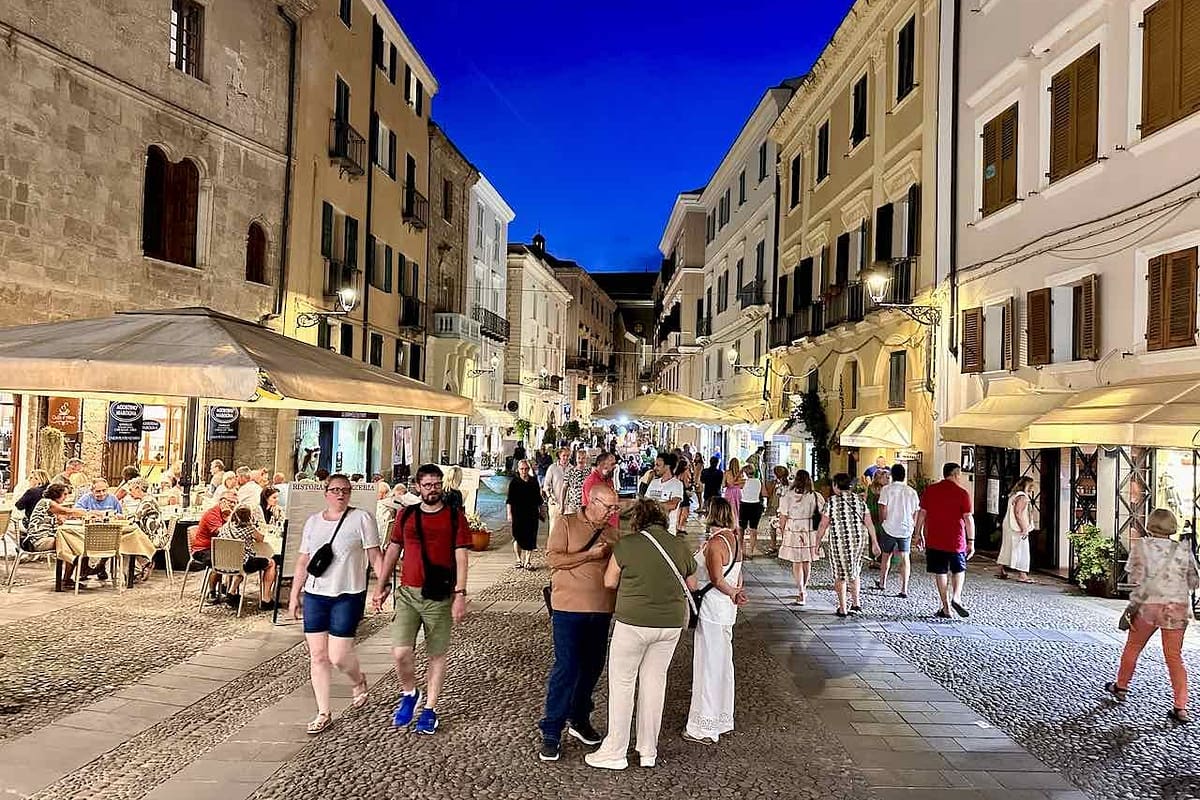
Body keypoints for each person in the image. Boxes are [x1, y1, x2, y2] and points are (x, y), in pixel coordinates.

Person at [586, 500, 697, 771]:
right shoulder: (679, 545)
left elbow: (609, 581)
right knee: (654, 684)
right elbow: (692, 585)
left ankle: (615, 751)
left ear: (637, 520)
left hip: (633, 623)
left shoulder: (628, 544)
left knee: (623, 685)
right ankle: (648, 751)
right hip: (669, 626)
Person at [374, 464, 472, 736]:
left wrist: (460, 594)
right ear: (418, 487)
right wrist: (380, 586)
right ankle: (409, 691)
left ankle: (429, 709)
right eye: (427, 485)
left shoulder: (454, 517)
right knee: (400, 651)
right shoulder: (406, 515)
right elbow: (394, 550)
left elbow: (461, 556)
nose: (433, 490)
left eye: (437, 485)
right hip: (408, 593)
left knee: (436, 654)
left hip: (440, 595)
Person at [288, 474, 383, 734]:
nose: (340, 494)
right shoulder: (313, 523)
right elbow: (303, 560)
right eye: (335, 490)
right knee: (318, 656)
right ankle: (323, 712)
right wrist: (295, 594)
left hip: (348, 593)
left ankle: (358, 680)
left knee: (339, 655)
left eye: (345, 490)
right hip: (316, 594)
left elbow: (375, 555)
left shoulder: (362, 518)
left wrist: (382, 586)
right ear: (326, 493)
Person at [538, 483, 622, 762]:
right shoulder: (566, 523)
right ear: (591, 501)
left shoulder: (612, 531)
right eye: (608, 507)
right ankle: (551, 729)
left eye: (615, 507)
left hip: (601, 609)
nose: (612, 512)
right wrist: (589, 555)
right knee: (567, 666)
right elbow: (553, 559)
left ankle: (579, 717)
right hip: (568, 608)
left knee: (593, 667)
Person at [1106, 508, 1199, 724]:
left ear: (1151, 524)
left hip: (1148, 605)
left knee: (1133, 647)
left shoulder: (1141, 546)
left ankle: (1121, 686)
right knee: (1174, 657)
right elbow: (1195, 582)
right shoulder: (1182, 550)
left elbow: (1133, 576)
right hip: (1176, 607)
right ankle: (1181, 706)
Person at [684, 498, 748, 745]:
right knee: (722, 664)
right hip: (726, 612)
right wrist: (736, 591)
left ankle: (704, 726)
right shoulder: (735, 539)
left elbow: (716, 578)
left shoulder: (714, 544)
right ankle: (722, 718)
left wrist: (732, 592)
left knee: (708, 665)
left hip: (711, 610)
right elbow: (738, 574)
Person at [914, 463, 975, 619]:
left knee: (940, 572)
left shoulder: (931, 490)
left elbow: (922, 513)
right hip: (956, 540)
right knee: (958, 570)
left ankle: (946, 607)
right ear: (955, 474)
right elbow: (968, 519)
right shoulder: (963, 493)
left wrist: (918, 533)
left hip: (934, 539)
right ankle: (956, 596)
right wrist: (971, 541)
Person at [816, 473, 879, 617]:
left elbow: (823, 525)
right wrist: (874, 542)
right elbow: (869, 524)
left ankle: (843, 607)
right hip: (858, 542)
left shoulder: (832, 502)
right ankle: (856, 603)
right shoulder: (860, 501)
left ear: (836, 486)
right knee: (855, 570)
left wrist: (817, 543)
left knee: (840, 574)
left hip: (839, 542)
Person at [24, 483, 92, 587]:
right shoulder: (47, 503)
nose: (66, 497)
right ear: (56, 494)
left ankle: (73, 573)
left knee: (72, 542)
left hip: (47, 537)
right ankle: (74, 573)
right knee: (71, 544)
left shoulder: (49, 504)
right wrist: (90, 513)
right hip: (38, 541)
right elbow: (68, 511)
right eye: (64, 494)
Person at [777, 470, 825, 605]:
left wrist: (782, 530)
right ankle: (804, 587)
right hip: (809, 530)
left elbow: (783, 516)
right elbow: (824, 514)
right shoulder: (815, 496)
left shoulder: (787, 496)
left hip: (793, 528)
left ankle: (801, 591)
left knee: (796, 562)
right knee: (807, 560)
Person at [219, 505, 278, 611]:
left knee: (239, 566)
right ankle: (266, 599)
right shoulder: (249, 529)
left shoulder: (225, 527)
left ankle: (231, 593)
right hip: (243, 564)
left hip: (224, 562)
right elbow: (260, 539)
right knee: (271, 563)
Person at [876, 463, 920, 597]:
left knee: (885, 555)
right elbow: (916, 511)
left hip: (889, 527)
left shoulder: (886, 490)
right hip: (906, 528)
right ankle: (904, 588)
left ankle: (882, 582)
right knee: (905, 557)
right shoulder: (911, 491)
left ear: (892, 476)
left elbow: (882, 508)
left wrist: (883, 521)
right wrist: (913, 525)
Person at [194, 492, 237, 600]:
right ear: (222, 501)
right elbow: (220, 533)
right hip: (202, 549)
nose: (232, 505)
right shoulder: (212, 514)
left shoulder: (229, 513)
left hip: (219, 547)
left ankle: (228, 589)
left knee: (237, 558)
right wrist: (230, 517)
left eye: (235, 502)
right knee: (220, 560)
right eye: (230, 502)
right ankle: (212, 591)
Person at [997, 477, 1034, 583]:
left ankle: (1001, 569)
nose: (1032, 488)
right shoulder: (1023, 497)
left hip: (1008, 525)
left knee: (1007, 547)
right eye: (1031, 486)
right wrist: (1024, 528)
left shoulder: (1013, 495)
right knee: (1023, 550)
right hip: (1017, 527)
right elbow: (1018, 513)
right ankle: (1022, 574)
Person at [507, 459, 543, 570]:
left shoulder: (533, 481)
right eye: (522, 469)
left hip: (531, 513)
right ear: (518, 470)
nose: (524, 471)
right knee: (517, 536)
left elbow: (538, 498)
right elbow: (509, 500)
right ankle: (518, 559)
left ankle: (527, 561)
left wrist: (542, 511)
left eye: (526, 469)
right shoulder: (514, 482)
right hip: (518, 513)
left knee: (531, 537)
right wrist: (509, 514)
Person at [644, 453, 685, 535]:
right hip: (649, 529)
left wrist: (652, 506)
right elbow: (644, 503)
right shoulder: (653, 483)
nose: (655, 468)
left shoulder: (677, 484)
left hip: (667, 531)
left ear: (667, 466)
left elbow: (672, 505)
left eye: (658, 465)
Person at [543, 448, 570, 534]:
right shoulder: (552, 468)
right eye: (564, 456)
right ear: (559, 456)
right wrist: (550, 497)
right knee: (554, 527)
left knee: (566, 528)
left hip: (568, 504)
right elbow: (546, 485)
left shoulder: (572, 468)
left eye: (568, 456)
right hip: (554, 502)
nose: (565, 458)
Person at [761, 465, 787, 554]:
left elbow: (768, 493)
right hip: (779, 506)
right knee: (778, 526)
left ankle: (774, 545)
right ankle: (781, 545)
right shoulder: (787, 483)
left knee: (776, 526)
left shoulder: (777, 484)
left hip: (777, 506)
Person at [739, 464, 764, 556]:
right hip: (756, 505)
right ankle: (751, 551)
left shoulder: (743, 482)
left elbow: (733, 482)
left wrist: (739, 472)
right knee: (753, 529)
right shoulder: (759, 481)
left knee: (741, 529)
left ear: (745, 472)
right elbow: (764, 493)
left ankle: (741, 550)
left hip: (745, 505)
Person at [563, 449, 590, 516]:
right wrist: (562, 505)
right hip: (572, 506)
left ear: (586, 459)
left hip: (586, 506)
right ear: (576, 459)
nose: (581, 460)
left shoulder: (590, 472)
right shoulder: (570, 472)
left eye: (583, 458)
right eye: (579, 458)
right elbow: (564, 489)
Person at [723, 458, 744, 530]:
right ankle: (737, 524)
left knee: (729, 508)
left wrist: (729, 483)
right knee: (737, 508)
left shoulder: (726, 473)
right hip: (737, 492)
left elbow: (723, 485)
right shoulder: (740, 473)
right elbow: (742, 486)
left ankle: (729, 523)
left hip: (729, 491)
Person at [674, 457, 695, 531]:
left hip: (678, 492)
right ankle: (681, 527)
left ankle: (677, 526)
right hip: (684, 493)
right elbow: (686, 485)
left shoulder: (676, 473)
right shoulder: (685, 473)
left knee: (679, 510)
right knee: (685, 511)